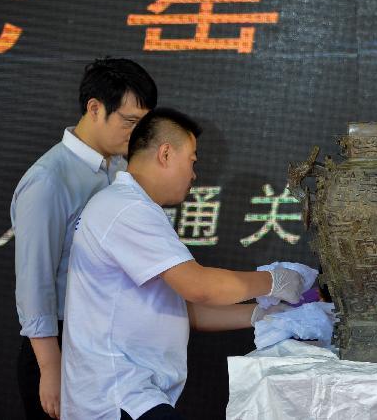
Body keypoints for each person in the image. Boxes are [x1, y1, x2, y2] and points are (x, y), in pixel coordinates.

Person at [60, 108, 309, 420]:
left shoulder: (132, 206)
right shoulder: (127, 208)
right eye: (192, 160)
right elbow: (200, 287)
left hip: (130, 391)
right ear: (165, 153)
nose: (193, 175)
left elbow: (184, 309)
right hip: (117, 395)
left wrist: (267, 316)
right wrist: (274, 281)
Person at [12, 58, 157, 419]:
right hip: (61, 346)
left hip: (110, 343)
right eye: (130, 122)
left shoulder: (121, 169)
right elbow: (34, 284)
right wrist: (51, 369)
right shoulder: (49, 180)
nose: (137, 134)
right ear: (95, 109)